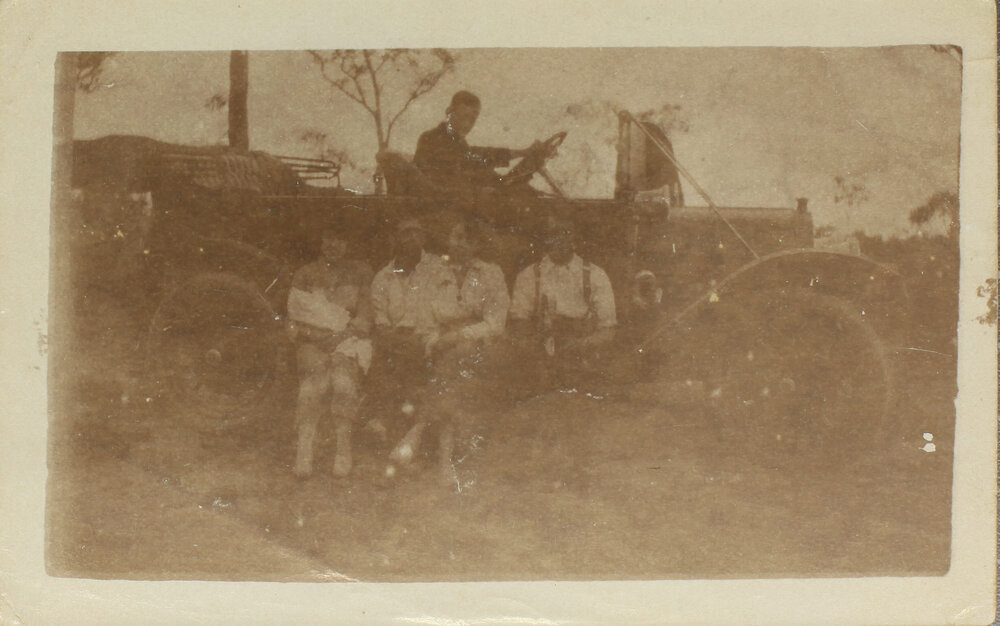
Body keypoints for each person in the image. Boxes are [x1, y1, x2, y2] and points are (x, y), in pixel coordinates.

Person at [392, 214, 511, 485]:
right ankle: (444, 463)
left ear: (477, 246)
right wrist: (435, 340)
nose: (456, 244)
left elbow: (495, 322)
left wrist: (458, 336)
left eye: (464, 240)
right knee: (452, 370)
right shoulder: (436, 273)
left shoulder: (491, 273)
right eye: (453, 238)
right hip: (442, 345)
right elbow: (424, 317)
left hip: (481, 343)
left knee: (458, 356)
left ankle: (418, 431)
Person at [287, 227, 373, 478]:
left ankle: (343, 450)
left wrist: (341, 337)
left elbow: (366, 317)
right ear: (321, 241)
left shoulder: (360, 273)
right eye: (329, 238)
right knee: (313, 383)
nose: (334, 244)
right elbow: (293, 321)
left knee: (343, 383)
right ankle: (304, 450)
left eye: (340, 239)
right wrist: (317, 336)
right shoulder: (305, 274)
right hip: (312, 342)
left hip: (347, 341)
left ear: (348, 244)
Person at [368, 217, 453, 472]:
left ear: (424, 239)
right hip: (395, 338)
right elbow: (380, 315)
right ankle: (382, 423)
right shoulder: (384, 276)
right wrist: (392, 334)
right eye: (405, 235)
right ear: (396, 240)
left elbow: (444, 306)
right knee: (384, 354)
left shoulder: (438, 268)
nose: (411, 240)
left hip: (427, 335)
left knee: (416, 360)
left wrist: (422, 333)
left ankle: (405, 433)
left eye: (416, 234)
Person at [508, 216, 617, 390]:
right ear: (545, 239)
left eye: (565, 234)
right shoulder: (529, 276)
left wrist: (580, 347)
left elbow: (608, 331)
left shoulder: (596, 275)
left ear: (574, 238)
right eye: (552, 235)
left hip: (583, 356)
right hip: (541, 358)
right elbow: (520, 324)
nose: (558, 241)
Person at [413, 90, 537, 192]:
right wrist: (482, 188)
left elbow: (481, 155)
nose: (467, 124)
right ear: (449, 113)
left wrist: (523, 153)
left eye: (472, 119)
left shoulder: (458, 144)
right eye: (464, 117)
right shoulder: (432, 138)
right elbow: (452, 175)